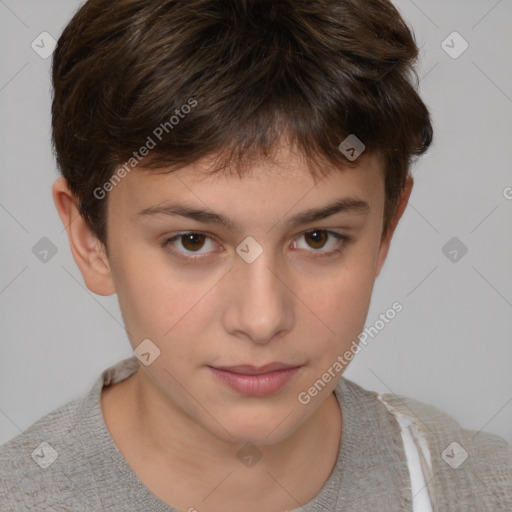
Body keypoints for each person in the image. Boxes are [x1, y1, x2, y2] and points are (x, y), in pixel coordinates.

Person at [1, 0, 511, 510]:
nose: (262, 319)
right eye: (192, 241)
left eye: (318, 238)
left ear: (386, 230)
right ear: (91, 240)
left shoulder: (485, 490)